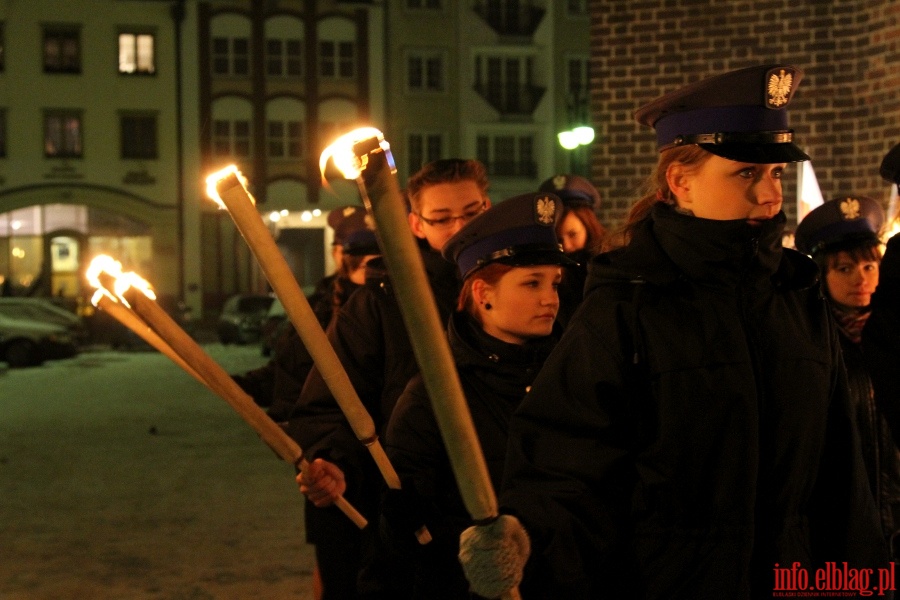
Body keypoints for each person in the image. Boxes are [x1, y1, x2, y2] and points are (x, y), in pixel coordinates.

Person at [457, 64, 889, 599]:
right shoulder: (627, 301)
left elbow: (840, 475)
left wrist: (863, 583)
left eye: (776, 174)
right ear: (681, 182)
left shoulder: (796, 296)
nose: (769, 194)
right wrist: (526, 532)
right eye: (745, 175)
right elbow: (567, 457)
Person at [288, 158, 491, 599]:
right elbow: (331, 404)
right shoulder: (379, 305)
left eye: (472, 213)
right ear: (416, 225)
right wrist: (333, 461)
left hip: (506, 515)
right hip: (410, 519)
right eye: (442, 218)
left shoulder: (535, 289)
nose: (459, 227)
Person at [381, 192, 572, 599]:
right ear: (483, 293)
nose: (550, 298)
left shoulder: (575, 375)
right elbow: (409, 529)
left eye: (555, 282)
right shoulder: (434, 399)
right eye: (531, 283)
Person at [795, 195, 900, 557]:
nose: (861, 279)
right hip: (842, 537)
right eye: (844, 268)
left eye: (869, 267)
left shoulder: (892, 338)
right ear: (823, 275)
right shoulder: (813, 346)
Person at [537, 173, 606, 326]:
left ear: (588, 227)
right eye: (558, 239)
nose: (567, 246)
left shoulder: (608, 266)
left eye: (573, 234)